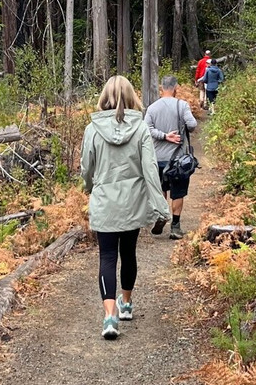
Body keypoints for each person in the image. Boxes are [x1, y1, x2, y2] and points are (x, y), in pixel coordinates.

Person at [80, 76, 171, 340]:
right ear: (132, 96)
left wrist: (89, 187)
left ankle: (110, 316)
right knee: (128, 252)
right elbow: (150, 170)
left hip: (105, 201)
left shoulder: (92, 129)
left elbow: (87, 168)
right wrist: (159, 205)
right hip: (133, 202)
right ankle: (127, 304)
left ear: (104, 97)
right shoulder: (140, 129)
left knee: (107, 257)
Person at [144, 75, 198, 241]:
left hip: (158, 158)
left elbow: (146, 128)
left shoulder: (152, 108)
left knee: (162, 189)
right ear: (176, 88)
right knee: (178, 192)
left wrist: (163, 135)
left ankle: (161, 216)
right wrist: (177, 131)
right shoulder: (182, 105)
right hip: (178, 160)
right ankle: (175, 226)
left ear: (162, 88)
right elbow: (192, 125)